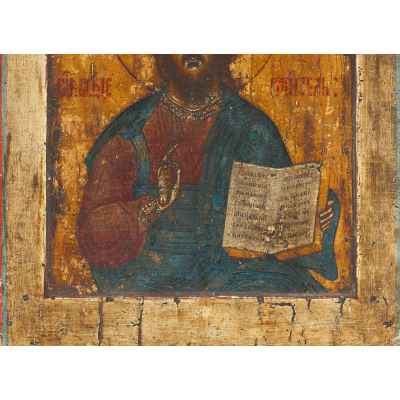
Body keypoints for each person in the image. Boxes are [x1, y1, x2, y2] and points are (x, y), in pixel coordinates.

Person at [77, 55, 340, 295]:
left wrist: (311, 221)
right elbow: (93, 232)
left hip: (238, 277)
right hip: (154, 277)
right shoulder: (133, 130)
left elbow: (281, 227)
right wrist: (154, 205)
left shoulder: (252, 127)